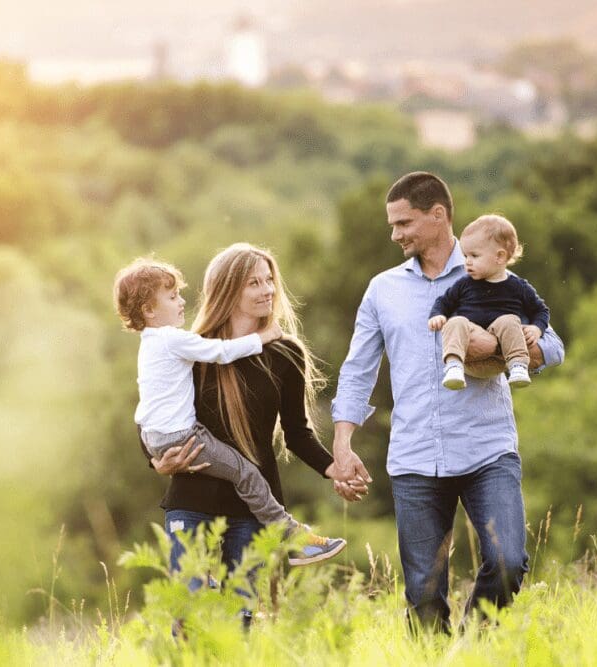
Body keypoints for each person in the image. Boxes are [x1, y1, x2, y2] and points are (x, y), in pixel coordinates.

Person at [329, 172, 565, 633]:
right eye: (392, 225)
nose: (395, 234)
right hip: (415, 456)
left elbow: (553, 345)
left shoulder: (496, 274)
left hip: (487, 449)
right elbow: (358, 368)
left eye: (404, 223)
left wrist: (502, 350)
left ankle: (471, 649)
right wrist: (343, 443)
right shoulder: (383, 289)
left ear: (438, 216)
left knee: (508, 561)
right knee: (423, 593)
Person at [143, 243, 355, 598]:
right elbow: (153, 410)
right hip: (192, 499)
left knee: (241, 615)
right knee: (189, 610)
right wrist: (156, 461)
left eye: (269, 280)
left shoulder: (285, 353)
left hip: (253, 508)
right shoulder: (194, 349)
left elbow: (297, 434)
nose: (268, 290)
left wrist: (336, 469)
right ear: (228, 290)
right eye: (253, 283)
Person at [428, 214, 550, 390]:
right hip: (470, 357)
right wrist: (437, 315)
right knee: (456, 322)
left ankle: (518, 366)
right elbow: (444, 301)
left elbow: (541, 310)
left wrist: (537, 328)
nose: (467, 262)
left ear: (499, 257)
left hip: (500, 361)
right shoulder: (464, 284)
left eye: (474, 256)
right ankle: (453, 366)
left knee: (509, 320)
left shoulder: (518, 286)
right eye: (465, 256)